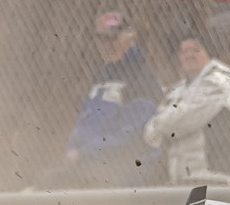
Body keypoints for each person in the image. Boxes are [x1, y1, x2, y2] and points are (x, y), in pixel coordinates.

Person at [64, 11, 161, 185]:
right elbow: (84, 124)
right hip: (90, 165)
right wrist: (72, 149)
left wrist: (84, 154)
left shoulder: (142, 77)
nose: (106, 45)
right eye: (101, 39)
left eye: (112, 38)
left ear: (130, 38)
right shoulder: (101, 76)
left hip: (124, 171)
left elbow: (133, 136)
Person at [144, 29, 230, 186]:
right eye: (184, 51)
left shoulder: (218, 81)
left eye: (196, 50)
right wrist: (162, 123)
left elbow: (183, 120)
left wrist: (159, 123)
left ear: (208, 53)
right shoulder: (178, 89)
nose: (189, 55)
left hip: (216, 177)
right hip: (182, 177)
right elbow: (152, 133)